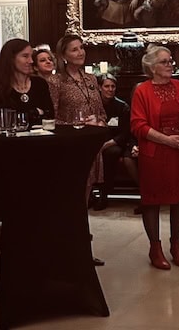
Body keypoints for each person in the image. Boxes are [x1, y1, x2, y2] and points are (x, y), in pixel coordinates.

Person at [130, 45, 179, 269]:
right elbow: (138, 125)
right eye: (165, 62)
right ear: (152, 67)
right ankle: (154, 248)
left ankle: (175, 246)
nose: (170, 65)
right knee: (153, 201)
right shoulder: (142, 91)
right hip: (155, 154)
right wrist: (166, 140)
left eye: (171, 61)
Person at [48, 34, 106, 265]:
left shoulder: (91, 79)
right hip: (69, 149)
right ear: (63, 55)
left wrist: (98, 121)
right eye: (74, 50)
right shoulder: (55, 82)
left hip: (91, 146)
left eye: (82, 48)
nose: (80, 52)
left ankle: (82, 250)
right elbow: (50, 119)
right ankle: (66, 251)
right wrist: (76, 124)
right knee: (70, 203)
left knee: (84, 201)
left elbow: (102, 112)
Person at [0, 39, 54, 129]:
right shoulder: (1, 88)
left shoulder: (39, 84)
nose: (31, 61)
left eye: (31, 56)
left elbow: (50, 115)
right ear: (11, 59)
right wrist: (36, 112)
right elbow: (5, 120)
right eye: (25, 56)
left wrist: (24, 115)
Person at [95, 73, 138, 210]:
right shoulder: (94, 105)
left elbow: (125, 133)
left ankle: (104, 193)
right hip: (96, 141)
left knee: (110, 152)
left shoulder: (122, 107)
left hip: (117, 142)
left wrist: (108, 143)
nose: (110, 89)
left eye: (113, 86)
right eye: (106, 86)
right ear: (100, 88)